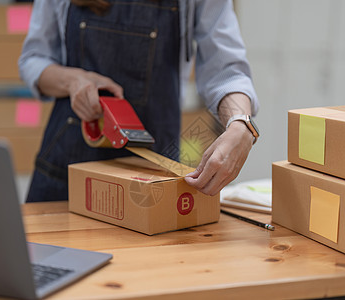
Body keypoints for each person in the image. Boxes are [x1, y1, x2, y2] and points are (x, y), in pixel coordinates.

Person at [19, 0, 259, 202]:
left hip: (151, 175)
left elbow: (227, 72)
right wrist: (73, 81)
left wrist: (240, 123)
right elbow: (33, 60)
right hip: (67, 170)